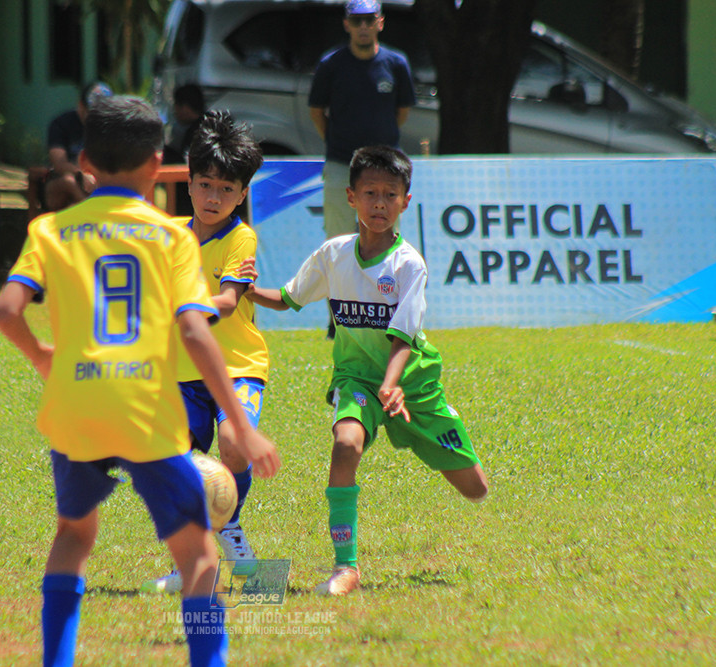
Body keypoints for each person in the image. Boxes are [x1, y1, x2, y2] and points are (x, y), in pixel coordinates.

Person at [0, 95, 281, 667]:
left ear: (83, 161)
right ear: (158, 164)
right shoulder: (170, 238)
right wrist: (243, 426)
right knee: (199, 555)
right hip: (145, 407)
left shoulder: (49, 229)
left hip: (75, 406)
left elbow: (6, 311)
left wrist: (43, 357)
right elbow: (195, 332)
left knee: (73, 537)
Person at [246, 145, 488, 596]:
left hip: (412, 386)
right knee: (345, 445)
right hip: (357, 380)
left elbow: (403, 338)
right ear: (351, 197)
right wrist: (245, 289)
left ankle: (425, 433)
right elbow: (288, 298)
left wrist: (392, 386)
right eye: (370, 193)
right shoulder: (333, 254)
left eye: (390, 194)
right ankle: (346, 567)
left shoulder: (408, 264)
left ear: (405, 202)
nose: (380, 203)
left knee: (476, 489)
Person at [143, 110, 268, 594]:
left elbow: (228, 303)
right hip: (180, 370)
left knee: (234, 444)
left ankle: (230, 527)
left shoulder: (241, 237)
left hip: (238, 366)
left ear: (242, 194)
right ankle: (193, 559)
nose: (214, 198)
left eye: (226, 189)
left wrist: (174, 307)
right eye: (205, 185)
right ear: (189, 183)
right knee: (180, 461)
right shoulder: (169, 236)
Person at [309, 0, 415, 335]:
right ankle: (337, 319)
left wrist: (378, 155)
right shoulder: (331, 64)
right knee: (339, 240)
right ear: (347, 25)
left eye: (369, 20)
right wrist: (340, 146)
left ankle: (389, 314)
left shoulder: (396, 63)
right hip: (342, 164)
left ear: (380, 22)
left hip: (387, 172)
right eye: (357, 21)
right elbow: (317, 111)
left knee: (386, 240)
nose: (363, 27)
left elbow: (401, 112)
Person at [42, 81, 113, 212]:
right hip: (66, 179)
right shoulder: (61, 124)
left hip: (99, 181)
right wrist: (82, 174)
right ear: (81, 106)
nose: (98, 119)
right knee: (68, 182)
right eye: (93, 113)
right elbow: (59, 164)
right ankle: (92, 210)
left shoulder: (110, 128)